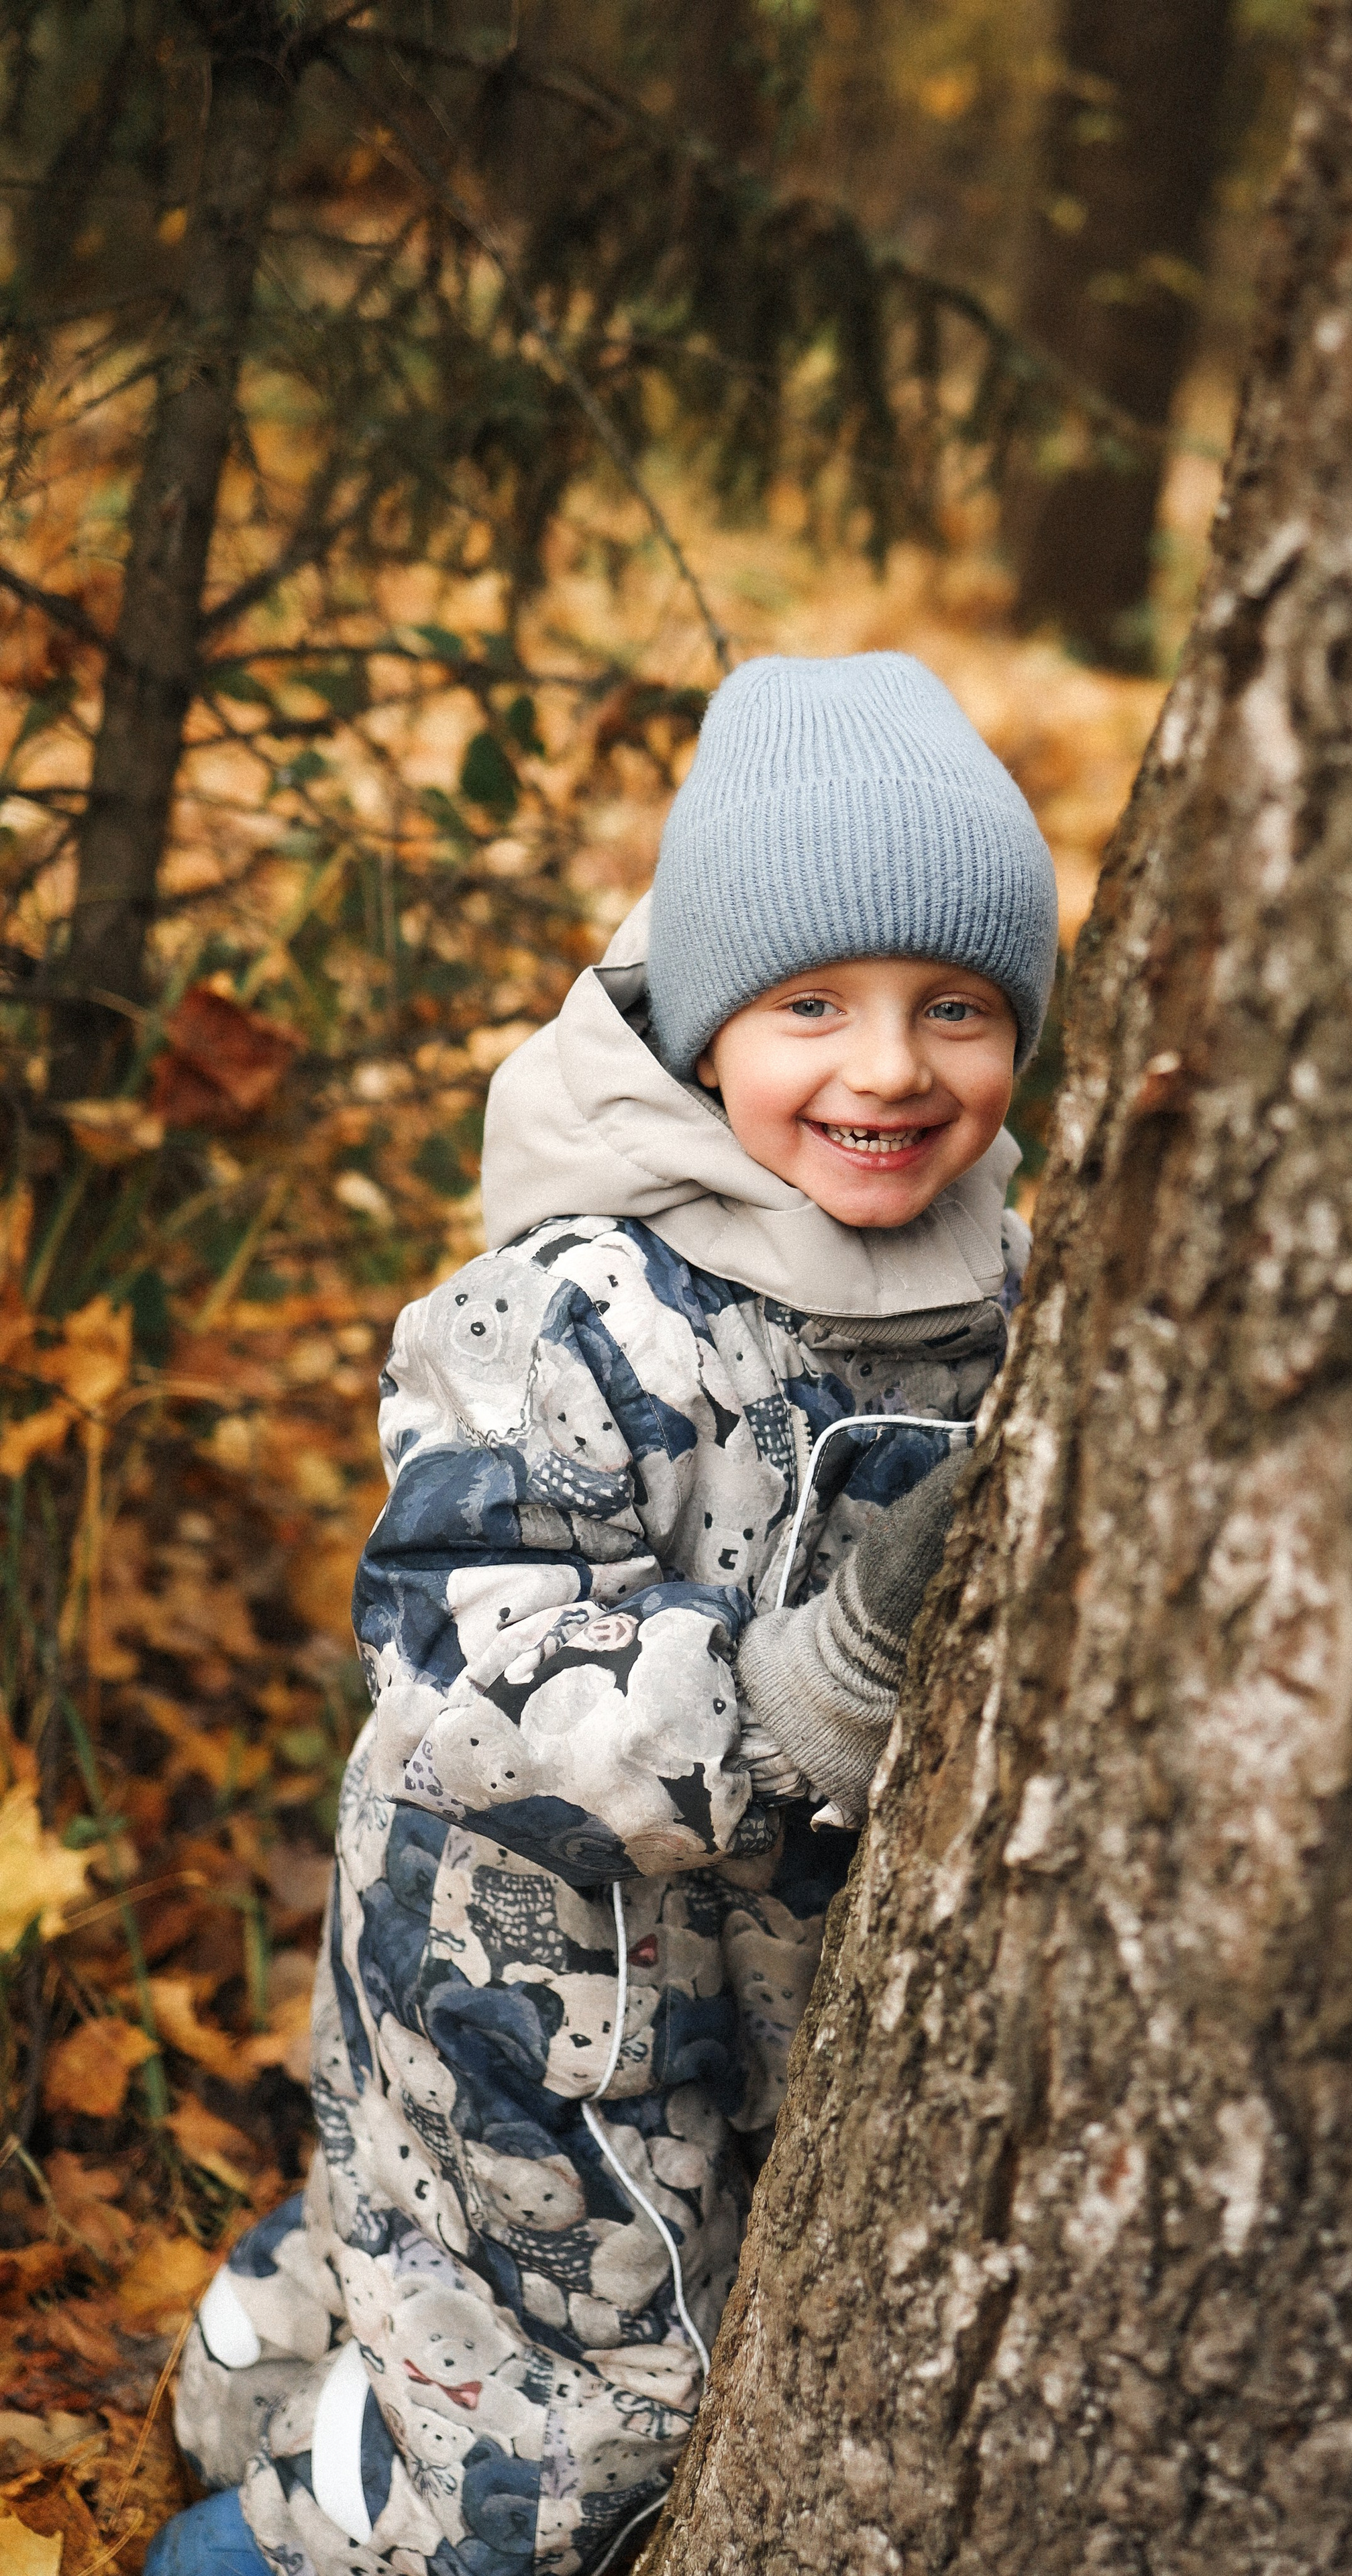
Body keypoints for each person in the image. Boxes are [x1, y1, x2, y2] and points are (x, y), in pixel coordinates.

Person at [147, 652, 1059, 2576]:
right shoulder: (582, 1304)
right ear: (710, 1017)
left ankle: (292, 2328)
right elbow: (458, 1653)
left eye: (955, 1009)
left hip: (795, 2001)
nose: (889, 1067)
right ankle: (250, 2536)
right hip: (550, 1982)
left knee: (562, 2296)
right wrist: (791, 1696)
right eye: (813, 1005)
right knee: (567, 2456)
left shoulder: (1026, 1290)